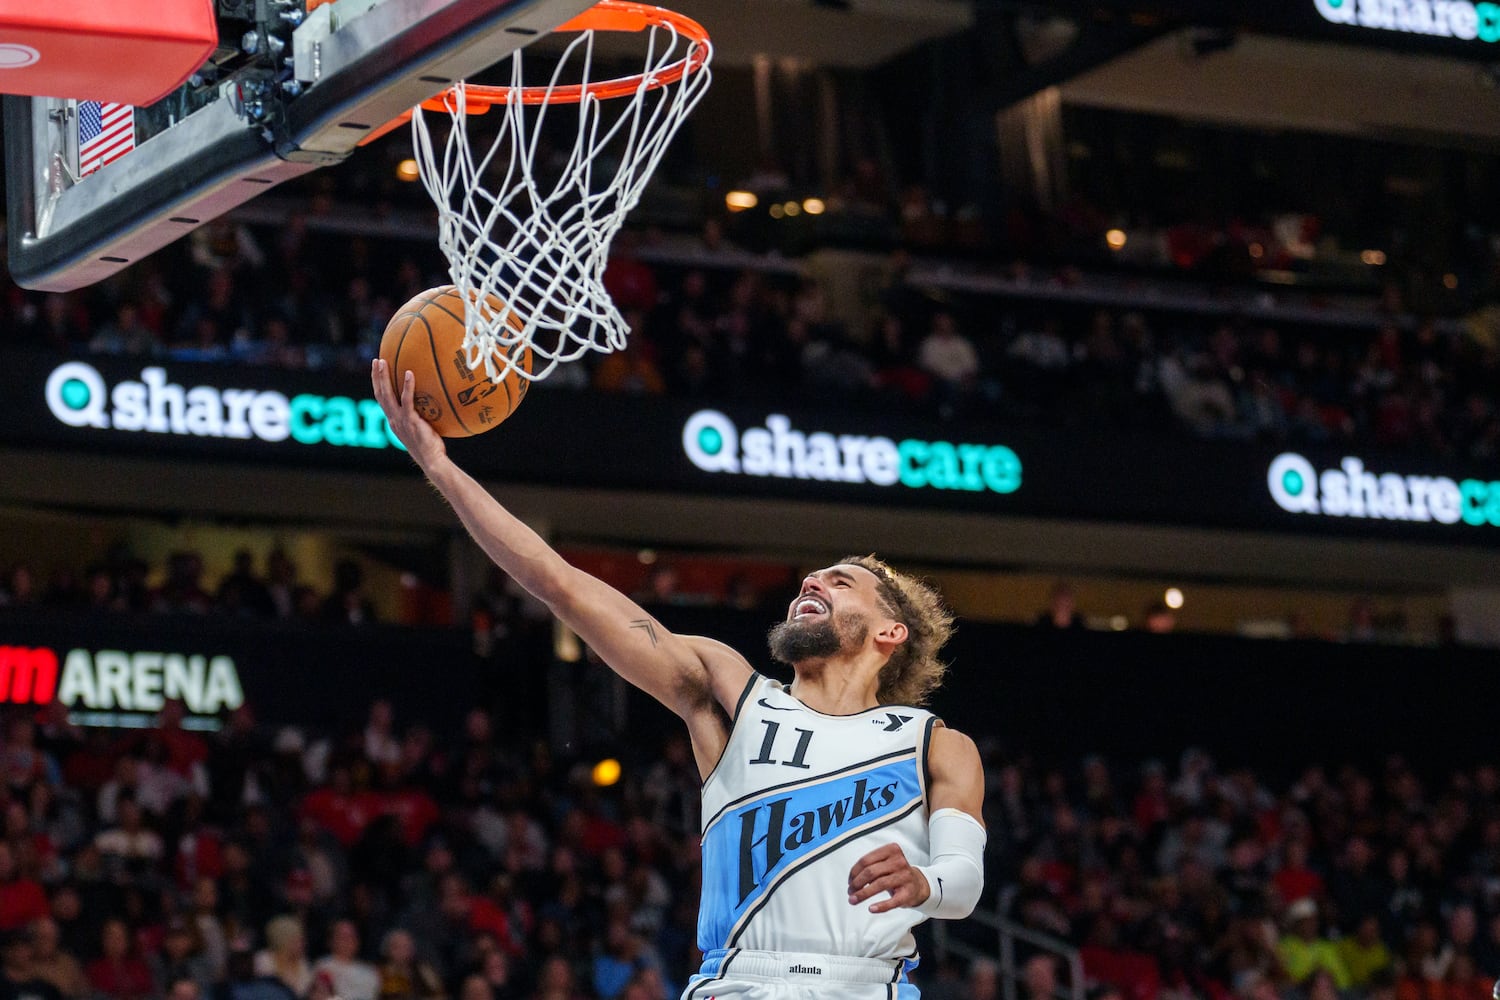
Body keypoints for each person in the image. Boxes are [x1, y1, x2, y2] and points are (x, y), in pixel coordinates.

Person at [373, 358, 987, 1000]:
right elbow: (559, 584)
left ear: (891, 632)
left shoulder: (934, 744)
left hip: (869, 987)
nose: (812, 581)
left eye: (841, 582)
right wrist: (439, 466)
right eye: (813, 577)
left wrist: (925, 883)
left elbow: (963, 880)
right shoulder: (731, 695)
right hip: (740, 982)